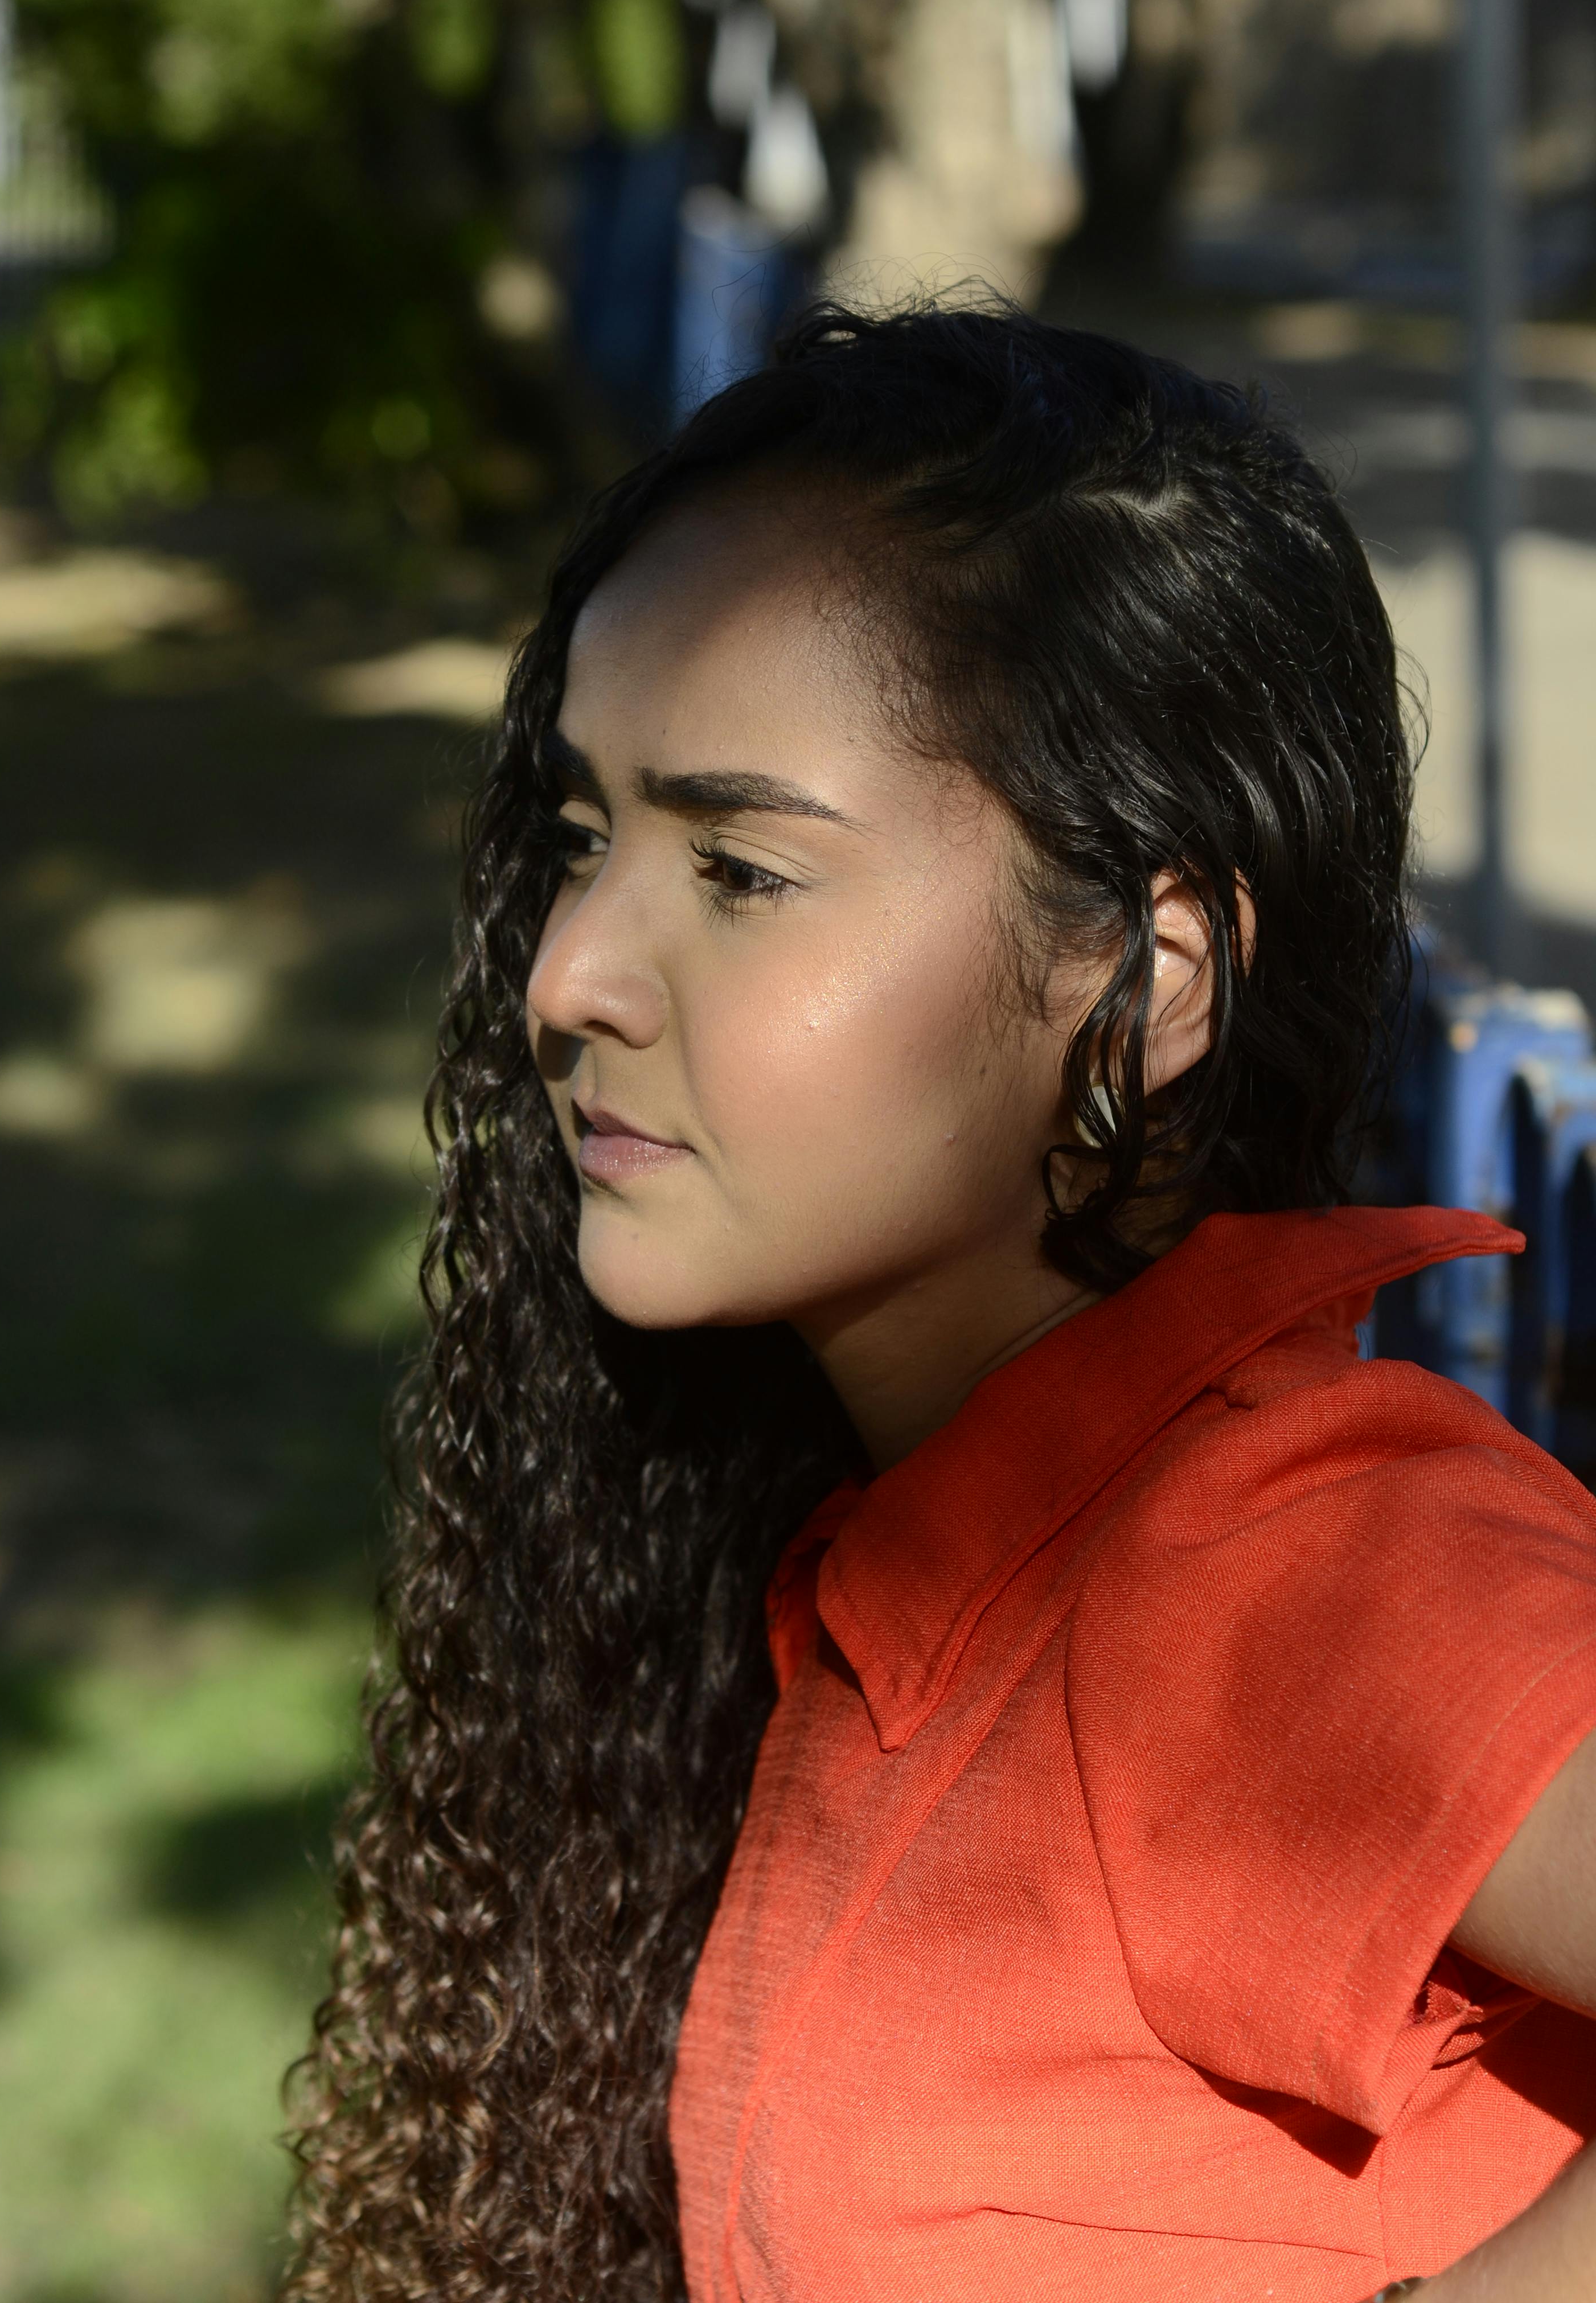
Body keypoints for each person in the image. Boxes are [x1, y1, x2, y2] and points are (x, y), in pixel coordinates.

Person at [284, 303, 1596, 2303]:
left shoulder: (1291, 1564)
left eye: (741, 869)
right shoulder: (892, 1558)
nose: (565, 979)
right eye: (580, 835)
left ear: (1147, 979)